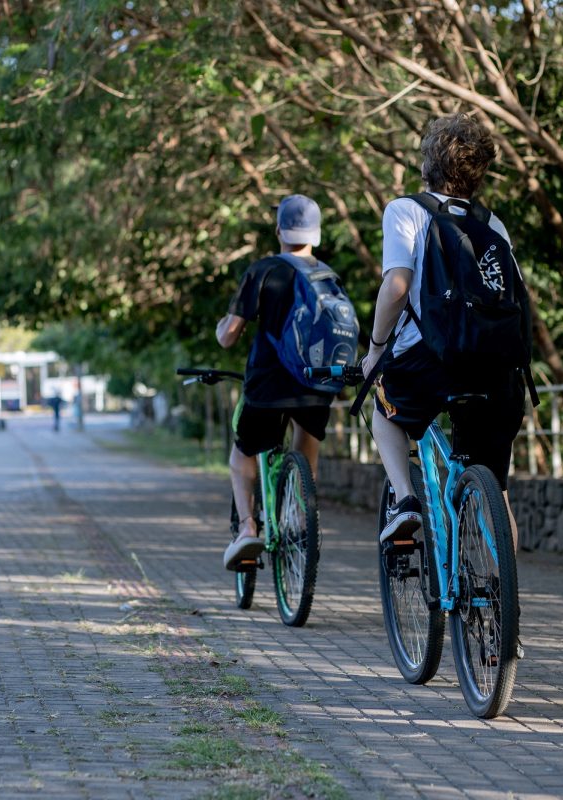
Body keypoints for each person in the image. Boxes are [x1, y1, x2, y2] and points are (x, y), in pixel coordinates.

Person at [362, 113, 526, 550]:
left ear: (425, 166)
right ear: (479, 174)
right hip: (498, 373)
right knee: (497, 491)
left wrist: (376, 349)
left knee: (384, 412)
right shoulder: (493, 225)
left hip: (430, 363)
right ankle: (504, 600)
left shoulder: (406, 211)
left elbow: (396, 286)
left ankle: (407, 500)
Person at [216, 194, 336, 570]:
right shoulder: (329, 276)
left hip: (268, 384)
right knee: (305, 453)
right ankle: (303, 522)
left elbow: (229, 336)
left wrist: (224, 325)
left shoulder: (263, 269)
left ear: (280, 229)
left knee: (242, 451)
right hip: (317, 384)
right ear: (315, 233)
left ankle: (248, 528)